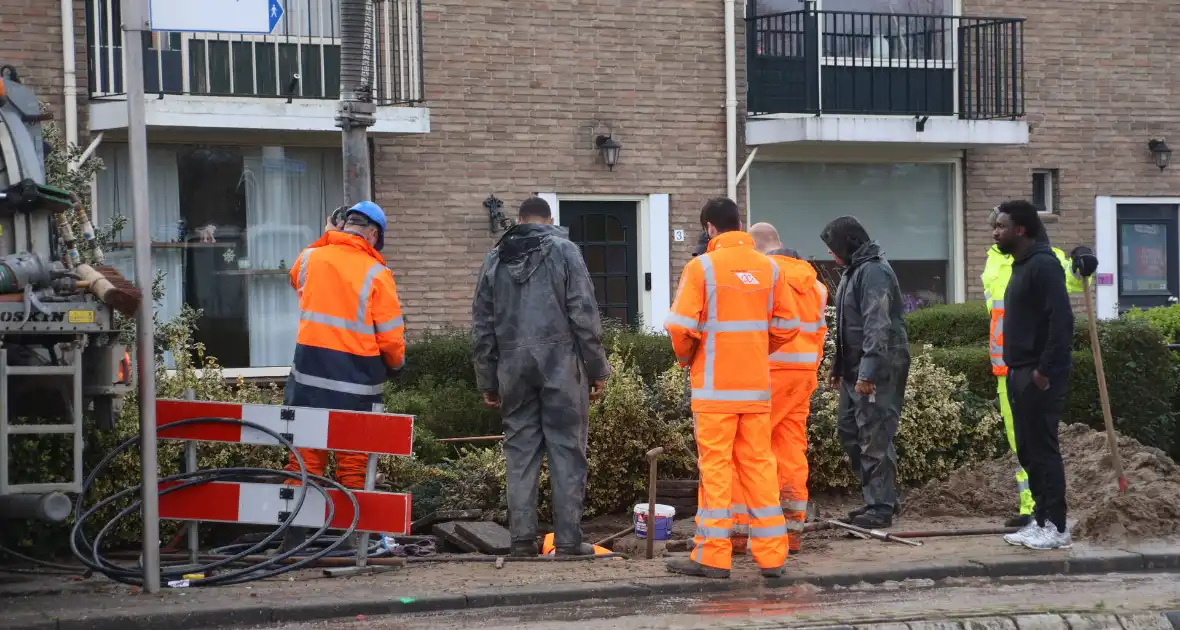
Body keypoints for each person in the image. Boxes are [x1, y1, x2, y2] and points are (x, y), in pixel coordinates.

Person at [664, 197, 800, 580]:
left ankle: (713, 555)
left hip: (713, 392)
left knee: (717, 470)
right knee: (760, 467)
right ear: (739, 225)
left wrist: (689, 358)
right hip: (755, 390)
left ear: (709, 228)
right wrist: (758, 349)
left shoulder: (701, 267)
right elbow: (788, 325)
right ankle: (773, 557)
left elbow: (680, 327)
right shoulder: (769, 268)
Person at [471, 196, 611, 557]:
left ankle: (520, 542)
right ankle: (567, 542)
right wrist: (597, 368)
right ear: (550, 219)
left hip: (513, 368)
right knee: (567, 450)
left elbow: (482, 324)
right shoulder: (565, 251)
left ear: (519, 219)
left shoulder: (495, 258)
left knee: (520, 452)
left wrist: (488, 378)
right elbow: (583, 312)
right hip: (561, 363)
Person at [278, 201, 406, 552]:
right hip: (356, 384)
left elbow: (295, 277)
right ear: (374, 234)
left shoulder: (310, 258)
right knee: (352, 462)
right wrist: (395, 365)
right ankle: (351, 544)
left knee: (303, 460)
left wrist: (327, 237)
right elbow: (391, 337)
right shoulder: (377, 273)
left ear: (343, 225)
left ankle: (293, 542)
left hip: (307, 379)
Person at [981, 205, 1095, 528]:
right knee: (1022, 444)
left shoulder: (1044, 259)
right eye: (995, 225)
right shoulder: (995, 260)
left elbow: (1073, 281)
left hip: (1032, 367)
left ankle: (1043, 515)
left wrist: (1082, 261)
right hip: (1007, 367)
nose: (995, 230)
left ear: (1019, 229)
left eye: (1001, 225)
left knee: (1040, 444)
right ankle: (1033, 510)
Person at [734, 222, 828, 555]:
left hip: (769, 371)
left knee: (746, 448)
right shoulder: (815, 284)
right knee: (789, 447)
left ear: (757, 248)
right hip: (802, 375)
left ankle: (737, 533)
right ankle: (792, 530)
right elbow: (820, 332)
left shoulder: (763, 276)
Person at [820, 216, 909, 529]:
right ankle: (878, 498)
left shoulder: (873, 272)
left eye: (833, 248)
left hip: (878, 368)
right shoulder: (854, 271)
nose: (830, 254)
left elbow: (877, 325)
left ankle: (881, 506)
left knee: (874, 433)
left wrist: (868, 374)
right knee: (849, 431)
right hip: (855, 368)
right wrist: (838, 367)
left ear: (849, 243)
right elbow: (849, 326)